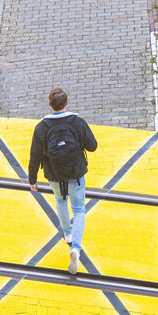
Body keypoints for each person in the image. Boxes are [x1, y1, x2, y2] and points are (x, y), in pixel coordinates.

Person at [28, 88, 99, 275]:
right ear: (67, 103)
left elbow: (35, 155)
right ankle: (75, 247)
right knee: (78, 208)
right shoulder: (77, 122)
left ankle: (67, 233)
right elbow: (92, 147)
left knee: (60, 201)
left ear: (49, 104)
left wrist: (32, 179)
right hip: (75, 174)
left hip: (54, 175)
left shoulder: (41, 127)